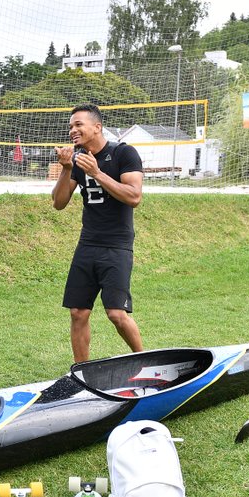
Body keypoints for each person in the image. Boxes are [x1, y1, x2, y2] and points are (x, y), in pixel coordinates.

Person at [51, 103, 144, 363]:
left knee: (116, 313)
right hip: (88, 244)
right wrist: (68, 168)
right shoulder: (78, 161)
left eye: (78, 124)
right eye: (70, 126)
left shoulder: (124, 154)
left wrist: (97, 173)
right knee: (78, 312)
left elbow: (134, 197)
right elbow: (58, 203)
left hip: (117, 245)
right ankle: (83, 372)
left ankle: (146, 361)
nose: (73, 130)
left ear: (97, 126)